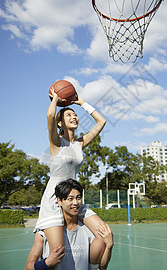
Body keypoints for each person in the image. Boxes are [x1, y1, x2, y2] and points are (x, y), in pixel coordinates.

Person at [33, 88, 107, 269]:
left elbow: (101, 121)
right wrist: (56, 98)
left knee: (105, 235)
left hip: (73, 196)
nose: (74, 117)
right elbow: (50, 116)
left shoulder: (79, 144)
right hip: (54, 198)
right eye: (68, 116)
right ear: (60, 123)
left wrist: (82, 103)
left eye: (75, 115)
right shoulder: (56, 142)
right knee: (57, 252)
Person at [25, 179, 114, 270]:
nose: (75, 203)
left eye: (78, 198)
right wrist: (46, 263)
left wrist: (109, 246)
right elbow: (28, 267)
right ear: (59, 201)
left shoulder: (89, 231)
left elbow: (102, 267)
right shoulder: (44, 232)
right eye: (70, 199)